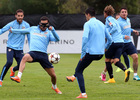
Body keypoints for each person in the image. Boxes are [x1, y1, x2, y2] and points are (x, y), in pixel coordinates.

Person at [66, 7, 112, 98]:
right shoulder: (102, 24)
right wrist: (105, 48)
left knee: (79, 70)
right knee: (81, 67)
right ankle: (73, 76)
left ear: (87, 14)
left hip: (91, 53)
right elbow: (110, 39)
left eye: (85, 15)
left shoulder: (87, 24)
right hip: (100, 54)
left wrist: (83, 53)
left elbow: (85, 38)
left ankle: (83, 94)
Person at [10, 16, 62, 94]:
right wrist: (13, 30)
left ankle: (54, 87)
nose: (44, 26)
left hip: (43, 55)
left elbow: (57, 39)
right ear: (39, 24)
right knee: (25, 57)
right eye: (42, 24)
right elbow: (21, 31)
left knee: (53, 76)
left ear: (48, 24)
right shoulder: (33, 29)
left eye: (46, 25)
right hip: (33, 53)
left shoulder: (49, 32)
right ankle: (18, 77)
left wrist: (53, 30)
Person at [0, 9, 30, 87]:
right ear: (15, 16)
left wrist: (31, 47)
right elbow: (2, 30)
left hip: (19, 49)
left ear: (23, 16)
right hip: (10, 47)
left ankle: (13, 70)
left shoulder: (26, 25)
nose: (20, 17)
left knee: (21, 65)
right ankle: (0, 80)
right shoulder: (11, 24)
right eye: (18, 16)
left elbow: (29, 36)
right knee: (9, 62)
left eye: (21, 16)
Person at [103, 5, 130, 83]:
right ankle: (125, 71)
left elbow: (114, 27)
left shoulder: (109, 19)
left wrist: (109, 34)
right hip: (121, 42)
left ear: (105, 13)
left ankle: (111, 78)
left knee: (107, 60)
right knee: (116, 61)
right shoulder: (115, 19)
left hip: (114, 42)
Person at [117, 7, 140, 80]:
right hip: (120, 43)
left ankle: (135, 75)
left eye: (125, 12)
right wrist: (124, 36)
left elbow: (128, 28)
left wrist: (133, 30)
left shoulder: (128, 20)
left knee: (136, 57)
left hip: (128, 43)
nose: (124, 13)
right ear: (120, 14)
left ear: (127, 13)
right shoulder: (118, 22)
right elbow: (116, 33)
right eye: (122, 12)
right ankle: (104, 73)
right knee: (112, 60)